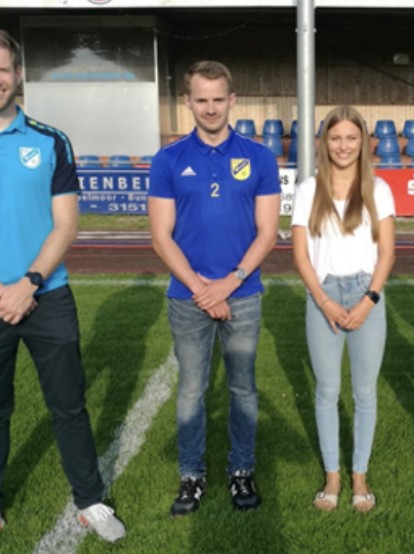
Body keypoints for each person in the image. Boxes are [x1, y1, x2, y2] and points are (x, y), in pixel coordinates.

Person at [0, 28, 125, 554]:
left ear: (17, 74)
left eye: (4, 69)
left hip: (48, 296)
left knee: (69, 405)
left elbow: (66, 225)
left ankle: (89, 500)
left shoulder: (50, 140)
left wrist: (28, 283)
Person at [147, 61, 281, 517]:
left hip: (243, 294)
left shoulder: (260, 157)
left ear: (232, 100)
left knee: (243, 389)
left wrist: (229, 283)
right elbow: (161, 236)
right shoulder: (168, 160)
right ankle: (192, 476)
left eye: (217, 99)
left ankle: (241, 470)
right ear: (188, 102)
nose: (209, 107)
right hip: (187, 299)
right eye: (200, 99)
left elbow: (268, 231)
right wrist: (201, 289)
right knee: (191, 390)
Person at [291, 106, 396, 513]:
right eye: (336, 138)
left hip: (366, 292)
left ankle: (360, 478)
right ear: (324, 142)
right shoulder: (307, 190)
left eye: (352, 138)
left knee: (365, 392)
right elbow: (300, 255)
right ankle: (332, 478)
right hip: (323, 296)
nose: (343, 146)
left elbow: (387, 253)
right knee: (328, 391)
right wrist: (325, 301)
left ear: (363, 143)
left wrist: (369, 300)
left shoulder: (378, 189)